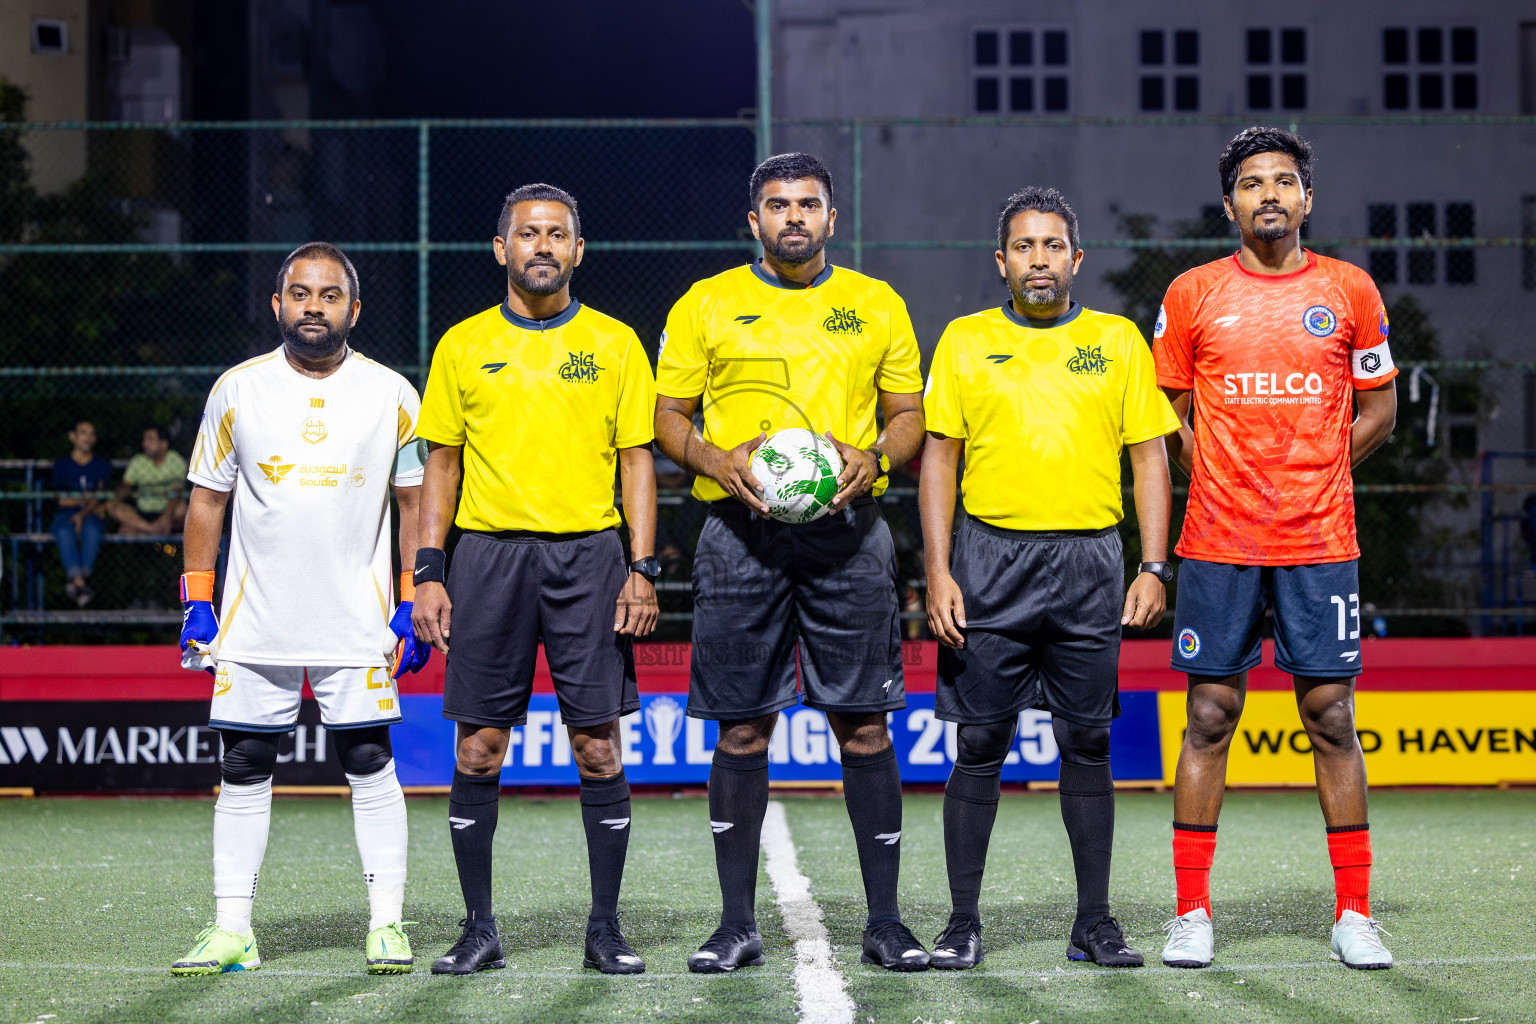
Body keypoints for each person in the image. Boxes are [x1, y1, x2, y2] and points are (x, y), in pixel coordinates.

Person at [654, 152, 930, 973]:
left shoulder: (875, 303)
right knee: (741, 727)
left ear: (831, 218)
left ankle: (885, 921)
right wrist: (712, 458)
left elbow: (909, 415)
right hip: (739, 538)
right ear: (754, 221)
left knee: (865, 723)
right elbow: (669, 418)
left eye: (808, 204)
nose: (794, 217)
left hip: (849, 538)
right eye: (777, 205)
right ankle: (736, 924)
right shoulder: (707, 303)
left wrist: (874, 457)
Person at [1153, 127, 1399, 971]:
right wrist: (1218, 471)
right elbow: (1167, 414)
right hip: (1219, 539)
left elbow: (1379, 412)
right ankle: (1191, 912)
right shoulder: (1191, 293)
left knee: (1331, 716)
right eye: (1251, 184)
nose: (1268, 195)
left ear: (1306, 199)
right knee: (1210, 717)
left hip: (1320, 539)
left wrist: (1318, 472)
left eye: (1283, 182)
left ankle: (1356, 911)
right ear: (1229, 205)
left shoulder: (1351, 289)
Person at [920, 187, 1179, 971]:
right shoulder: (964, 341)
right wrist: (936, 570)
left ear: (1076, 258)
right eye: (1025, 247)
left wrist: (1154, 565)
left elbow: (1150, 460)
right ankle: (963, 923)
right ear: (1002, 262)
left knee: (1088, 740)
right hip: (988, 559)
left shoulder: (1118, 340)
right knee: (982, 741)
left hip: (1090, 562)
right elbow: (939, 458)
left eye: (1053, 245)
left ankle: (1093, 923)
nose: (1040, 259)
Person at [410, 183, 660, 977]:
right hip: (488, 559)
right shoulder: (462, 344)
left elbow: (637, 463)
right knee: (480, 747)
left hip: (590, 558)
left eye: (557, 234)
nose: (542, 246)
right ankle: (478, 928)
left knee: (596, 747)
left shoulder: (617, 343)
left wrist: (641, 568)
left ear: (578, 251)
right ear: (501, 249)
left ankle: (605, 930)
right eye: (527, 233)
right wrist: (428, 572)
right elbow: (438, 465)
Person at [171, 242, 431, 976]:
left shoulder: (393, 394)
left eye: (329, 294)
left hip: (359, 622)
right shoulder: (236, 390)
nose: (313, 305)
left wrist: (411, 600)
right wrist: (197, 601)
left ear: (354, 308)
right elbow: (206, 501)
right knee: (245, 762)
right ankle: (231, 931)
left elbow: (414, 506)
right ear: (277, 304)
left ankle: (386, 924)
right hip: (257, 623)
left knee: (370, 758)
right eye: (299, 292)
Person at [49, 419, 111, 607]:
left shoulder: (101, 464)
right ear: (73, 436)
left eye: (91, 434)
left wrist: (83, 514)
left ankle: (77, 582)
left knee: (92, 529)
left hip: (90, 515)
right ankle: (80, 582)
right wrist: (90, 500)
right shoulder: (62, 464)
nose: (87, 438)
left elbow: (102, 496)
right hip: (66, 514)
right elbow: (62, 499)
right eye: (83, 432)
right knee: (63, 530)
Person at [106, 425, 188, 535]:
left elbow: (176, 491)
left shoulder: (176, 460)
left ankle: (140, 529)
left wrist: (166, 517)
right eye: (144, 439)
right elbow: (125, 486)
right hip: (141, 512)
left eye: (150, 439)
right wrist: (119, 495)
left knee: (182, 508)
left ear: (163, 444)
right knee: (111, 505)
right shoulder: (138, 461)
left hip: (168, 510)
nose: (145, 444)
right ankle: (152, 529)